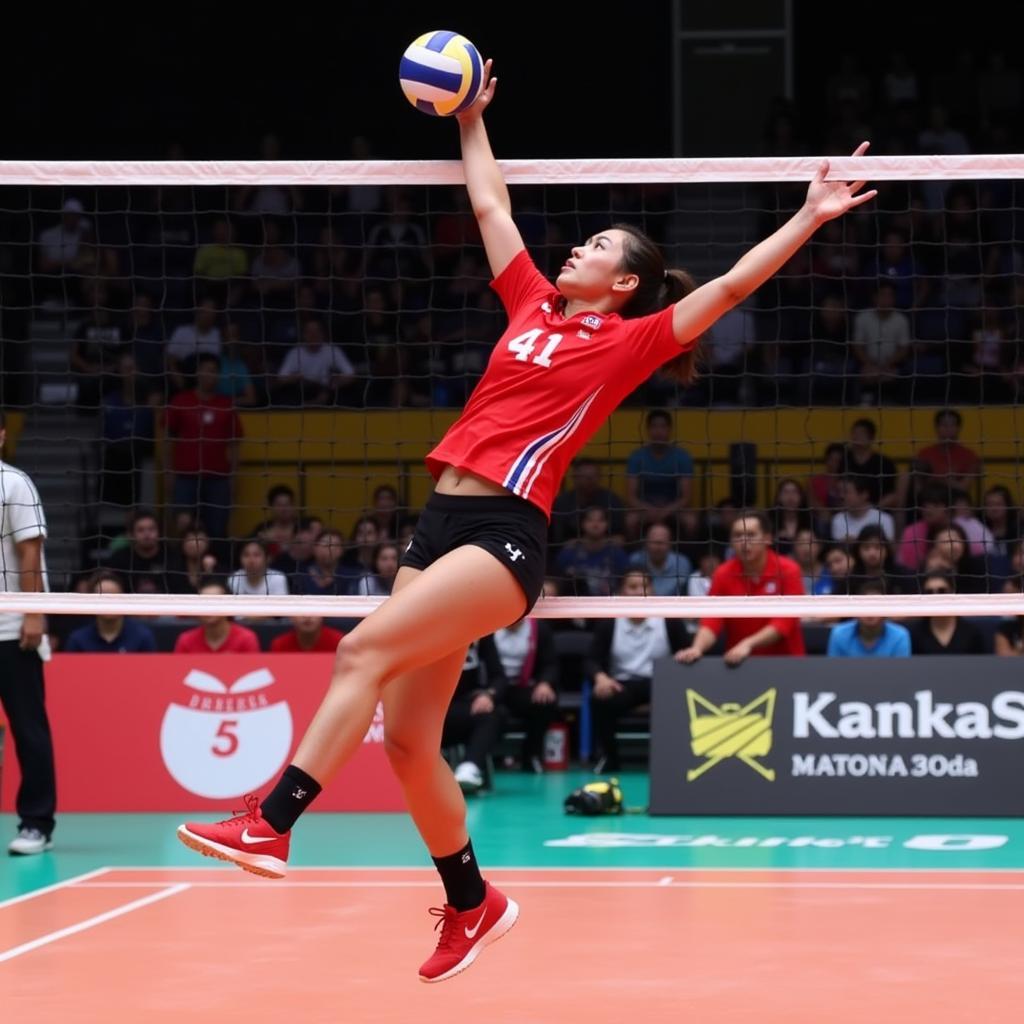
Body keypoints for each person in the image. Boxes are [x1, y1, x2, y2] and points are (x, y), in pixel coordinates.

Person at [177, 63, 875, 982]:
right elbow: (492, 204)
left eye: (595, 245)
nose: (576, 249)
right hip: (436, 524)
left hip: (504, 537)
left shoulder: (630, 341)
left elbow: (734, 287)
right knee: (408, 741)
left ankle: (271, 823)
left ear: (626, 283)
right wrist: (470, 117)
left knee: (360, 654)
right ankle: (474, 903)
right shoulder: (532, 303)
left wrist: (808, 214)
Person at [0, 411, 57, 855]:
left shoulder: (14, 483)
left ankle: (36, 823)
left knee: (28, 729)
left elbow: (29, 551)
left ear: (3, 435)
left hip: (11, 627)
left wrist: (34, 614)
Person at [679, 511, 807, 666]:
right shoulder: (723, 573)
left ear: (767, 538)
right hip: (740, 664)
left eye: (751, 534)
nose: (744, 541)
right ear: (731, 542)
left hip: (786, 662)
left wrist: (748, 643)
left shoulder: (788, 570)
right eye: (738, 535)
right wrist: (697, 648)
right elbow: (712, 619)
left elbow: (785, 621)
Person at [64, 572, 156, 653]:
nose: (108, 603)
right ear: (92, 601)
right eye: (103, 598)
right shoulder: (78, 640)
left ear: (123, 599)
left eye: (113, 597)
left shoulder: (142, 637)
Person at [826, 580, 911, 657]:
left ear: (885, 610)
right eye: (865, 606)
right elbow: (834, 671)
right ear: (856, 609)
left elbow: (900, 672)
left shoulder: (900, 636)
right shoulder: (839, 634)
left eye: (876, 606)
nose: (870, 612)